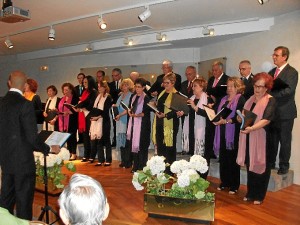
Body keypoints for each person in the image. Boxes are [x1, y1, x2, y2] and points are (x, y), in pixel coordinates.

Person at [0, 71, 59, 220]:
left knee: (5, 200)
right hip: (23, 162)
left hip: (6, 160)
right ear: (25, 86)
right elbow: (32, 138)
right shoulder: (25, 105)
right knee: (24, 202)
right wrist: (49, 148)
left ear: (9, 83)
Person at [237, 72, 276, 205]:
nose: (257, 89)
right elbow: (245, 116)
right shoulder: (249, 100)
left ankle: (259, 195)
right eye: (255, 86)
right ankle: (250, 193)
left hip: (264, 139)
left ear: (266, 87)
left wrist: (252, 129)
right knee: (250, 165)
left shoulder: (270, 100)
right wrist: (240, 118)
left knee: (261, 167)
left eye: (260, 87)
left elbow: (266, 119)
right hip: (249, 137)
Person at [213, 77, 246, 194]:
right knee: (224, 159)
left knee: (232, 159)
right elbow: (217, 112)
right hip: (222, 131)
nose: (229, 88)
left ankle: (234, 185)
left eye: (232, 86)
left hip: (233, 134)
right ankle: (224, 182)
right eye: (228, 86)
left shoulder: (240, 99)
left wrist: (226, 121)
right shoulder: (223, 99)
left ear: (238, 87)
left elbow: (239, 118)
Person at [269, 46, 298, 175]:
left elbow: (289, 90)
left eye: (276, 55)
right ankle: (271, 163)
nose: (274, 57)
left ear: (284, 56)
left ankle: (284, 165)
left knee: (284, 140)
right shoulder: (270, 72)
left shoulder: (292, 72)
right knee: (272, 140)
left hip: (286, 112)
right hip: (272, 113)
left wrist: (272, 94)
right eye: (273, 55)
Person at [152, 73, 180, 174]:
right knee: (160, 147)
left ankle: (170, 171)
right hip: (159, 122)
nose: (165, 84)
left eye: (167, 83)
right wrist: (154, 107)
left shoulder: (176, 95)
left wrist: (165, 115)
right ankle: (162, 169)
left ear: (173, 83)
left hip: (170, 124)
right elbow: (160, 106)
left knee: (170, 148)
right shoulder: (162, 93)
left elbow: (177, 111)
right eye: (164, 82)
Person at [179, 78, 209, 159]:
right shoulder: (192, 98)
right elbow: (188, 111)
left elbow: (206, 114)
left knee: (199, 154)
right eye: (192, 86)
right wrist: (182, 112)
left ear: (202, 87)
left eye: (195, 86)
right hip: (191, 126)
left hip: (201, 127)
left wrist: (194, 106)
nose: (193, 88)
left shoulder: (206, 98)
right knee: (192, 148)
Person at [126, 78, 151, 172]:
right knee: (133, 145)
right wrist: (129, 111)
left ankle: (141, 167)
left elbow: (146, 112)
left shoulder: (146, 98)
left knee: (142, 146)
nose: (137, 89)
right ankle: (135, 165)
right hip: (133, 124)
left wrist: (137, 115)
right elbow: (130, 107)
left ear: (144, 87)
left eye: (139, 87)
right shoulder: (133, 96)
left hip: (143, 125)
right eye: (136, 87)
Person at [206, 61, 229, 159]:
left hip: (221, 108)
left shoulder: (227, 79)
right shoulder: (211, 79)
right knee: (210, 130)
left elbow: (226, 96)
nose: (214, 72)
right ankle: (210, 152)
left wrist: (216, 101)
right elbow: (209, 92)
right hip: (211, 108)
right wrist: (210, 102)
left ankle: (219, 152)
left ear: (221, 70)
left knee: (219, 131)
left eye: (216, 70)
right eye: (213, 70)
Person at [89, 81, 113, 166]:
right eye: (98, 87)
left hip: (104, 121)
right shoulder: (98, 97)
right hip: (97, 121)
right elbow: (95, 108)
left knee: (106, 141)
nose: (99, 88)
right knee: (98, 141)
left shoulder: (108, 97)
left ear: (105, 87)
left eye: (100, 87)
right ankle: (100, 159)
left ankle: (108, 159)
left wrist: (97, 117)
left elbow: (106, 111)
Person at [76, 75, 98, 162]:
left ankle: (92, 155)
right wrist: (78, 106)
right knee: (85, 137)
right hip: (84, 115)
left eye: (85, 82)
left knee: (91, 137)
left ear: (90, 83)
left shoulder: (93, 92)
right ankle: (86, 155)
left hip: (90, 115)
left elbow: (91, 103)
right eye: (83, 82)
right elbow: (83, 102)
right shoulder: (85, 92)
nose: (84, 84)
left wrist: (82, 106)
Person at [114, 79, 134, 168]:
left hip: (125, 119)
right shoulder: (120, 95)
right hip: (119, 120)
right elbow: (117, 106)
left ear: (129, 86)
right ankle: (123, 160)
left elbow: (128, 109)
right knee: (121, 140)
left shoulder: (130, 95)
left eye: (126, 85)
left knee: (126, 141)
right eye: (123, 85)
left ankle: (128, 161)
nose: (124, 87)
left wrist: (120, 115)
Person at [58, 83, 79, 161]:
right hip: (63, 120)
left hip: (72, 120)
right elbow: (60, 108)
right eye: (64, 90)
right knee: (67, 137)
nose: (65, 91)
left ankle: (74, 153)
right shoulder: (62, 99)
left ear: (71, 90)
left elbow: (77, 109)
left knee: (72, 137)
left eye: (67, 89)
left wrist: (68, 112)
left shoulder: (75, 98)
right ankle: (69, 153)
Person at [109, 68, 123, 147]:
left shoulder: (124, 84)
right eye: (113, 76)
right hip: (114, 107)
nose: (115, 77)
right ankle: (115, 140)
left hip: (122, 107)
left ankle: (122, 141)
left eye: (116, 75)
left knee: (122, 125)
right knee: (114, 124)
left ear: (120, 75)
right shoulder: (110, 85)